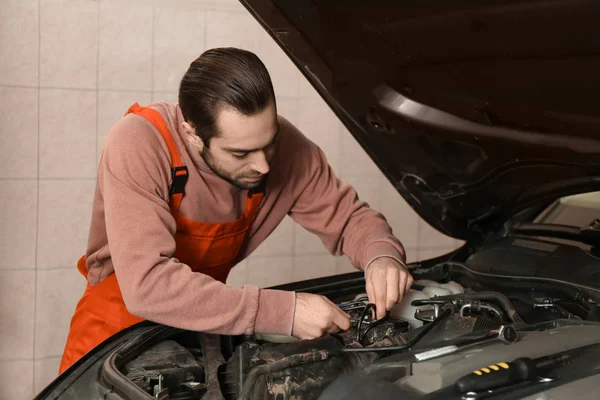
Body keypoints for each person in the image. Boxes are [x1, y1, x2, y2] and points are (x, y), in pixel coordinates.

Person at [59, 47, 413, 373]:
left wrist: (381, 256)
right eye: (240, 154)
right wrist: (283, 312)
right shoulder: (139, 142)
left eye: (269, 143)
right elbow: (148, 284)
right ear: (192, 133)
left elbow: (350, 218)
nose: (262, 166)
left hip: (205, 325)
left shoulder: (282, 147)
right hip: (114, 335)